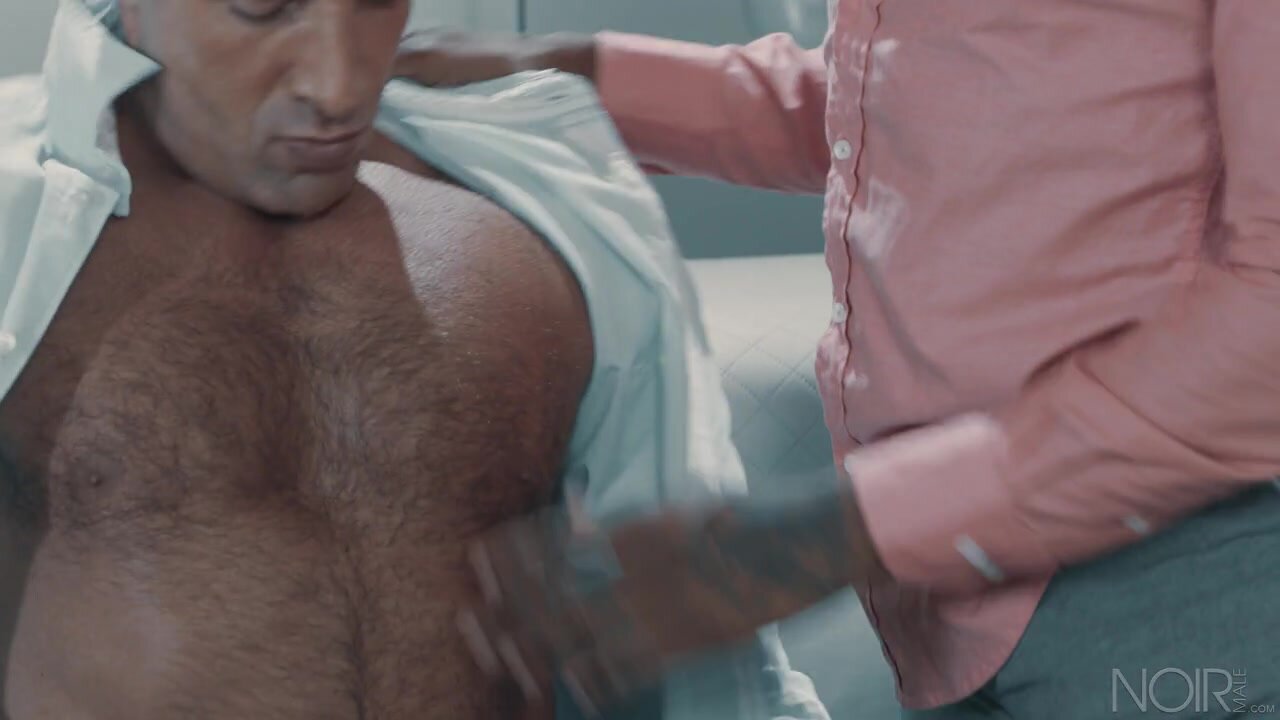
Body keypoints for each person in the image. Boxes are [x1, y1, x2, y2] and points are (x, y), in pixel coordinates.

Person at [399, 3, 1280, 719]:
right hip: (943, 609)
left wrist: (828, 534)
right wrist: (577, 75)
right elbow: (920, 107)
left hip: (1187, 587)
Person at [0, 1, 837, 719]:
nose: (337, 86)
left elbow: (717, 667)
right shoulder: (19, 218)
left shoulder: (550, 204)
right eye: (262, 6)